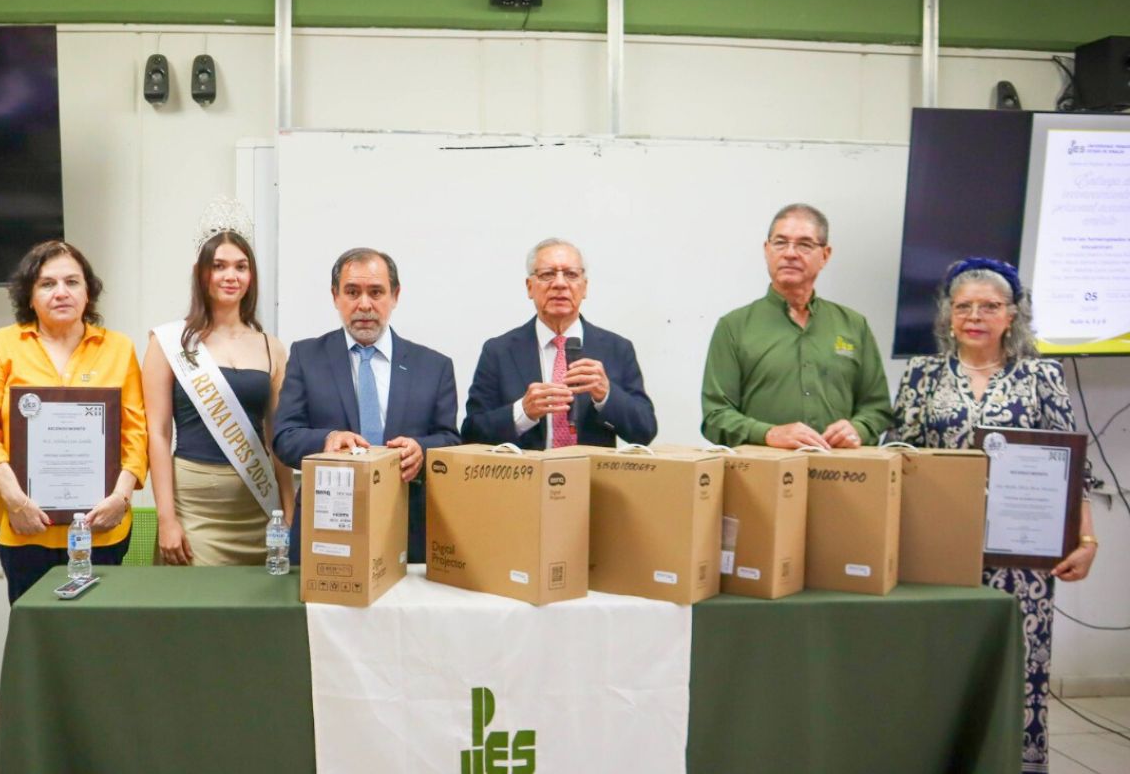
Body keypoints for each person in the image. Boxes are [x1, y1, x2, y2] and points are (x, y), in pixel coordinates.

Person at [891, 257, 1098, 774]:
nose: (975, 316)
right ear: (948, 315)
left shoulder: (1041, 376)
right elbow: (897, 451)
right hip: (940, 554)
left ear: (1012, 315)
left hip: (1022, 560)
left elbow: (1075, 466)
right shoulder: (922, 374)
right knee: (940, 665)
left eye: (989, 306)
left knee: (1016, 669)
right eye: (964, 306)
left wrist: (1086, 541)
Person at [0, 240, 148, 601]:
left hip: (101, 526)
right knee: (36, 632)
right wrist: (15, 500)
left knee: (98, 634)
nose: (61, 293)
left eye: (72, 282)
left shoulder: (119, 348)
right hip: (23, 525)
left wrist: (121, 498)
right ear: (29, 296)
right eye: (47, 284)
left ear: (88, 292)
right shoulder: (2, 345)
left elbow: (135, 433)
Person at [273, 247, 461, 564]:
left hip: (406, 528)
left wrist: (421, 450)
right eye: (352, 292)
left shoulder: (434, 366)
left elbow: (451, 440)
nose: (364, 304)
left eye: (376, 292)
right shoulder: (307, 357)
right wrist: (327, 439)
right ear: (335, 297)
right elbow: (284, 436)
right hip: (327, 526)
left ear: (395, 295)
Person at [143, 220, 293, 565]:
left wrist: (288, 508)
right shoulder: (168, 342)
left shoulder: (272, 348)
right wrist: (166, 519)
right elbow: (158, 433)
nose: (231, 276)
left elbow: (278, 435)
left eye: (241, 267)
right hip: (194, 508)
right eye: (219, 266)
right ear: (202, 274)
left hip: (257, 506)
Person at [701, 202, 892, 449]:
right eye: (780, 242)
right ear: (767, 249)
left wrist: (859, 428)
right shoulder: (734, 327)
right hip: (762, 477)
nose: (790, 253)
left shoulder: (854, 325)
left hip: (842, 476)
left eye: (804, 244)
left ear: (825, 255)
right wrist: (768, 434)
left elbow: (878, 408)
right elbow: (715, 416)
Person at [463, 238, 656, 449]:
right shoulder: (498, 352)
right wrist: (522, 412)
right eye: (547, 274)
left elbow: (645, 432)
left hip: (593, 480)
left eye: (571, 274)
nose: (560, 284)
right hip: (524, 479)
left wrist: (606, 394)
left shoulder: (617, 349)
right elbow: (471, 434)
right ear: (529, 287)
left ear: (585, 287)